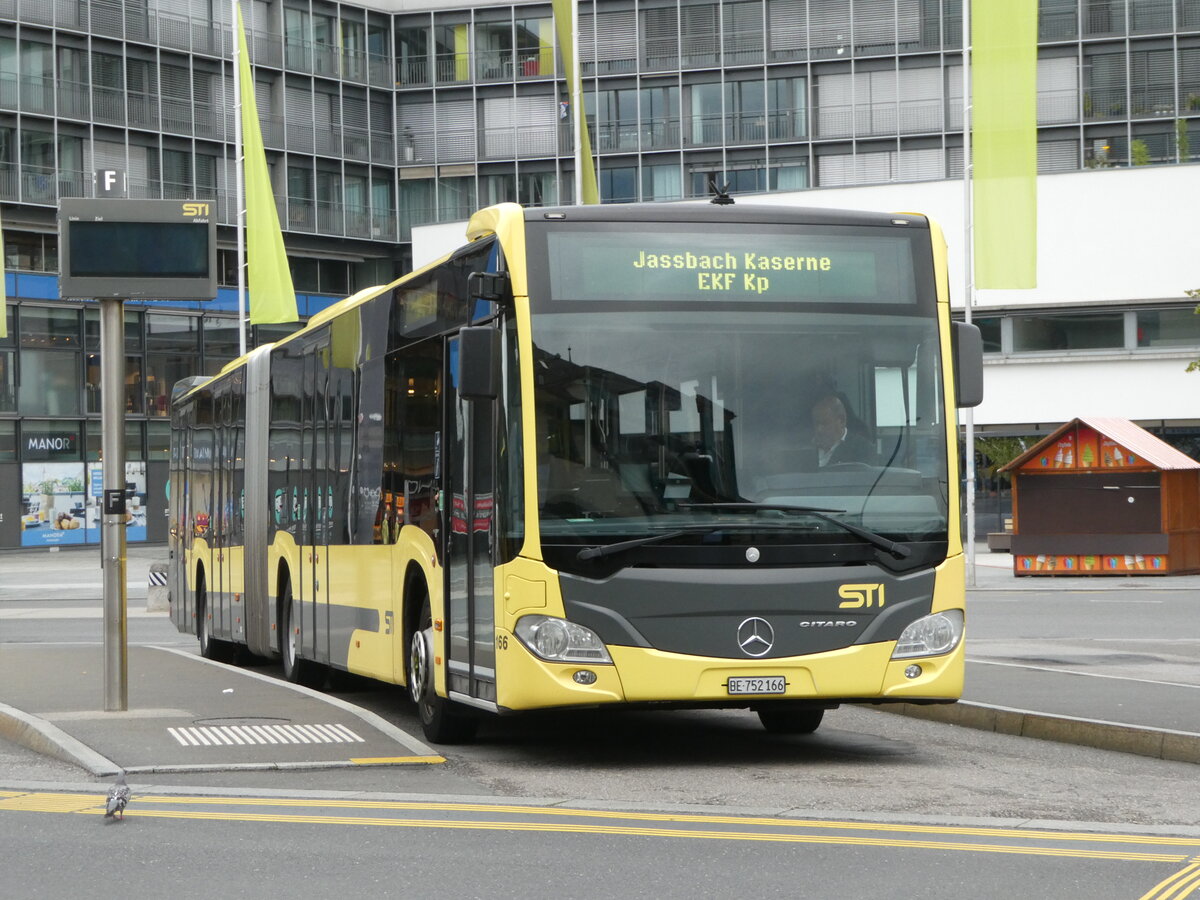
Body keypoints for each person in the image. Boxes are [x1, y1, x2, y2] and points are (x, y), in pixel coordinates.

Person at [810, 394, 875, 466]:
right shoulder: (804, 446)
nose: (819, 429)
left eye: (824, 423)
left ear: (842, 421)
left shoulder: (863, 449)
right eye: (816, 423)